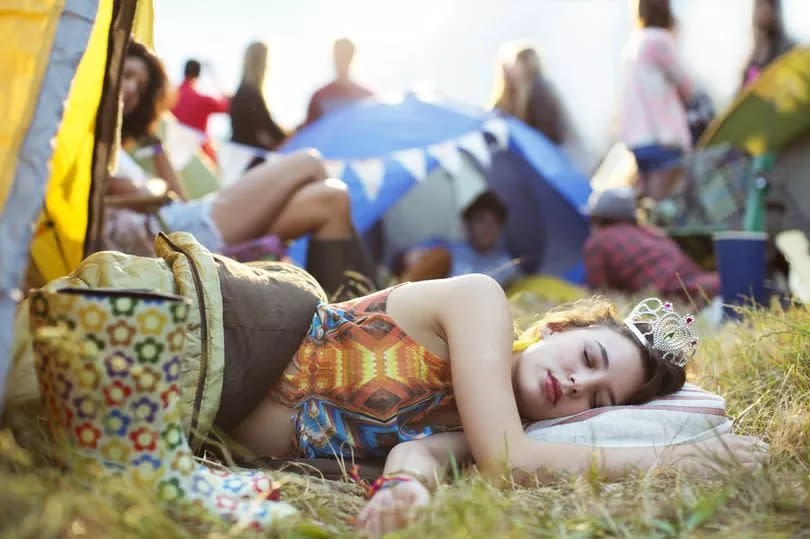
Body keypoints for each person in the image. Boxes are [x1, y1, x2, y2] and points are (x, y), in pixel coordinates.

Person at [8, 234, 764, 536]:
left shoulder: (477, 422)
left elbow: (427, 457)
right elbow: (510, 460)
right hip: (198, 332)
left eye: (598, 403)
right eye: (592, 361)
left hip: (179, 410)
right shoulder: (479, 304)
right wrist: (685, 457)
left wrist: (405, 492)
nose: (576, 388)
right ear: (564, 329)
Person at [111, 39, 377, 297]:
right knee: (309, 161)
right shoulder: (87, 142)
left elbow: (177, 198)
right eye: (127, 75)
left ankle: (343, 319)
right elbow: (97, 203)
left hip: (178, 220)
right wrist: (151, 196)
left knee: (331, 198)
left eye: (141, 85)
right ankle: (373, 295)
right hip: (169, 234)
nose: (133, 88)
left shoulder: (118, 146)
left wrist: (157, 149)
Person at [583, 187, 720, 304]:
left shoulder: (598, 243)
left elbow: (599, 299)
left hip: (680, 302)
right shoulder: (650, 232)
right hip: (712, 287)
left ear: (597, 217)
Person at [619, 0, 693, 201]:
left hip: (637, 139)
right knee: (661, 209)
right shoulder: (660, 40)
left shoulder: (633, 43)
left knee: (646, 202)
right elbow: (686, 86)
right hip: (663, 137)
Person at [394, 192, 521, 288]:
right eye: (481, 220)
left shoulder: (506, 265)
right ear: (468, 224)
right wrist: (409, 257)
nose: (488, 228)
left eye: (495, 222)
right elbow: (402, 261)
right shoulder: (443, 247)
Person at [492, 45, 569, 146]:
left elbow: (547, 129)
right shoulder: (517, 91)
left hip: (539, 146)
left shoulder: (538, 90)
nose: (513, 69)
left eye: (516, 63)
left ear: (525, 64)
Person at [229, 41, 286, 169]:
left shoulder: (243, 91)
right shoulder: (251, 93)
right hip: (248, 165)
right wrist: (296, 134)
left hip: (239, 161)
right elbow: (271, 131)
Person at [303, 38, 374, 127]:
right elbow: (310, 131)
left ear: (352, 57)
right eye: (338, 56)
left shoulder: (367, 97)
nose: (341, 61)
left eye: (345, 56)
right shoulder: (320, 97)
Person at [171, 59, 230, 161]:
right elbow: (229, 106)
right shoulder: (204, 101)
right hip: (199, 157)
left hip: (171, 151)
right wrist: (214, 76)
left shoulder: (170, 95)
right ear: (199, 75)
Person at [741, 0, 795, 90]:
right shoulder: (752, 57)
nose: (761, 11)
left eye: (765, 5)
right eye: (758, 5)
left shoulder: (787, 50)